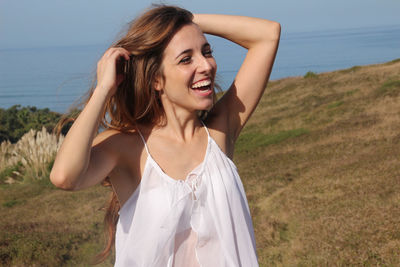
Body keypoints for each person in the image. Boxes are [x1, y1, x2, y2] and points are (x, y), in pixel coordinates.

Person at [50, 4, 280, 267]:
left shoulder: (218, 132)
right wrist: (105, 88)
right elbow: (64, 177)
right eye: (186, 59)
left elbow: (267, 34)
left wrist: (183, 22)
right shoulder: (126, 146)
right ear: (156, 80)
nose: (206, 65)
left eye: (207, 52)